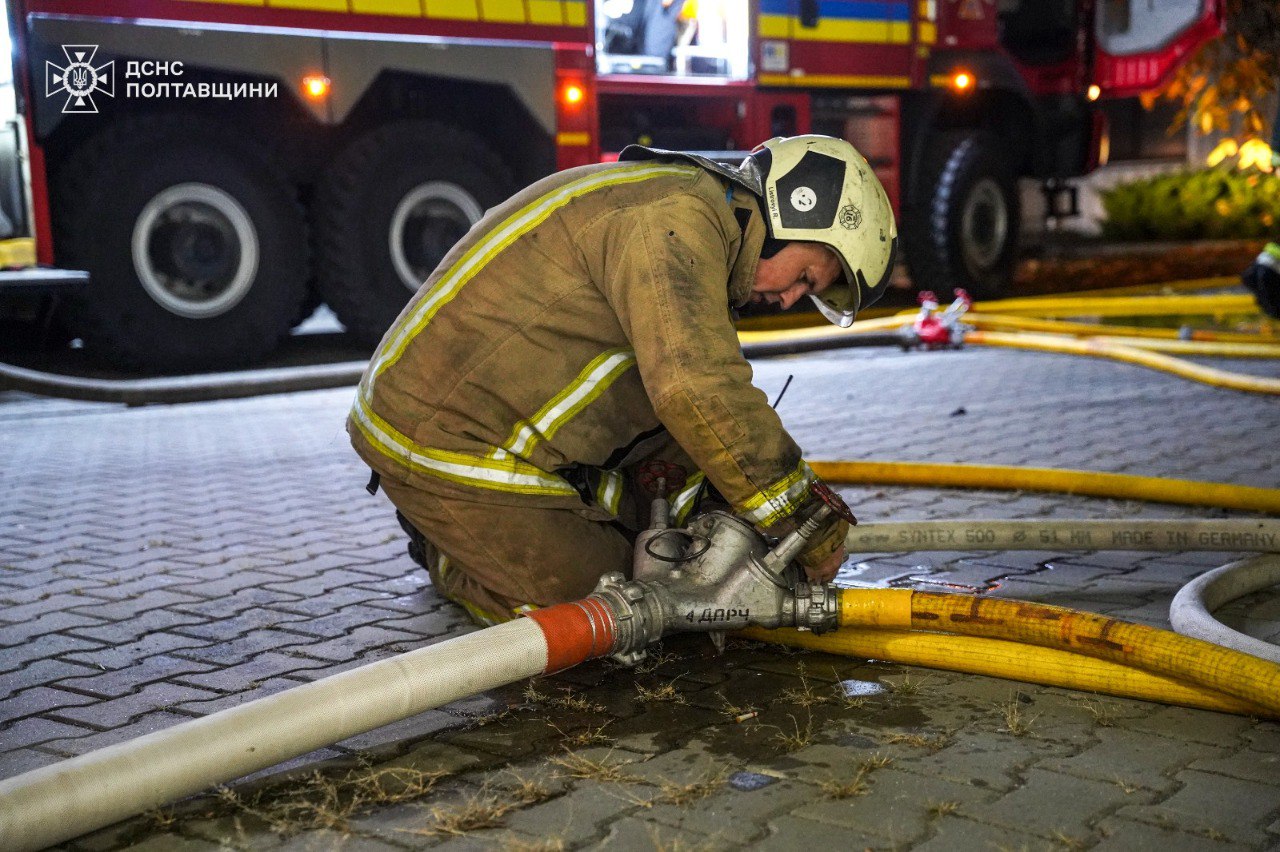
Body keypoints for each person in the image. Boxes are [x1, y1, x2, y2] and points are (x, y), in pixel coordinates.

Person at [349, 135, 898, 625]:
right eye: (804, 277)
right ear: (793, 213)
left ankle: (504, 530)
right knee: (611, 607)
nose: (787, 300)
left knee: (670, 552)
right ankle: (447, 550)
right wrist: (802, 520)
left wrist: (724, 521)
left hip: (493, 421)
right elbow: (698, 388)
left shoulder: (690, 216)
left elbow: (688, 408)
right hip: (438, 436)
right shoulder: (675, 220)